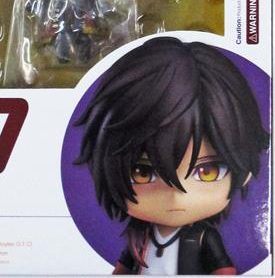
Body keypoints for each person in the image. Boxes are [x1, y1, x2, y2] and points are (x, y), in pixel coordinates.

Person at [75, 37, 269, 275]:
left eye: (207, 172)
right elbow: (122, 268)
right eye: (143, 172)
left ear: (244, 173)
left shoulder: (203, 237)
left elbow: (223, 270)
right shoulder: (140, 236)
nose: (177, 195)